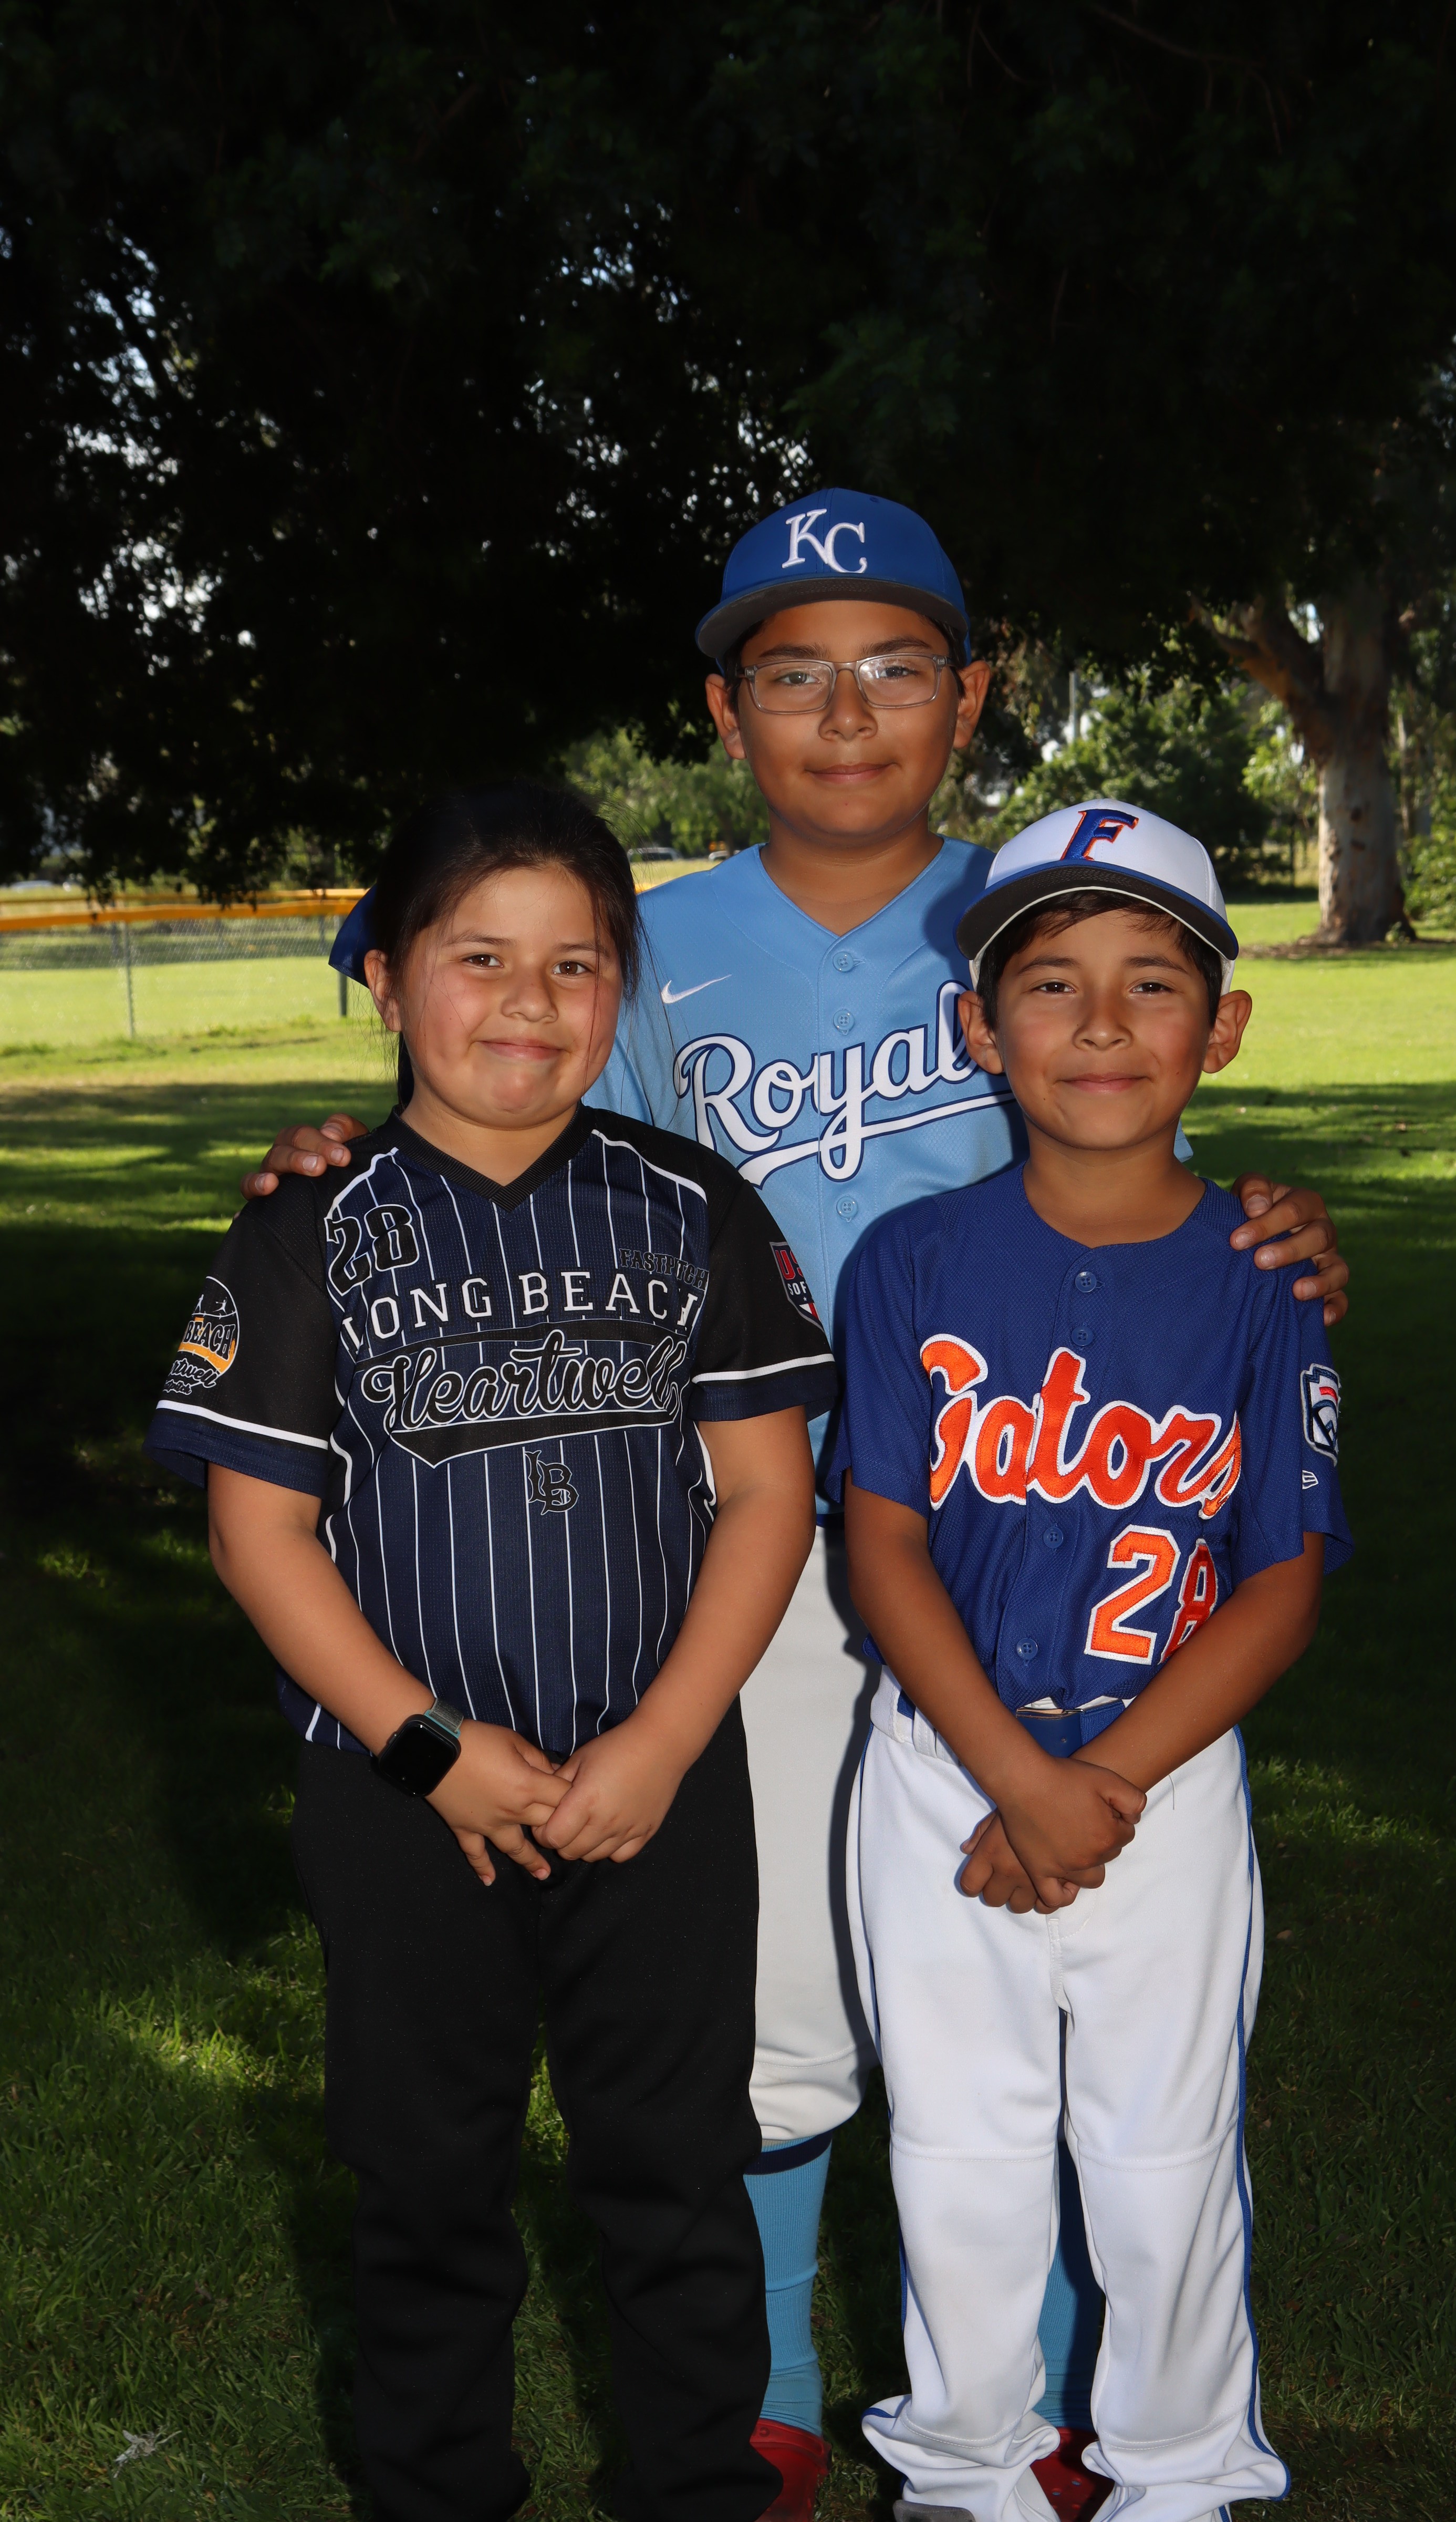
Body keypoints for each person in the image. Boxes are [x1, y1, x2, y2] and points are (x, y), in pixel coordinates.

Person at [238, 491, 1349, 2522]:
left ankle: (1065, 2399)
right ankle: (751, 2385)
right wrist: (345, 1157)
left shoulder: (1033, 909)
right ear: (725, 711)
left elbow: (1134, 1133)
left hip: (1012, 1528)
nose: (848, 716)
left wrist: (1271, 1226)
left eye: (898, 667)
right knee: (758, 2009)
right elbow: (509, 1117)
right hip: (721, 1528)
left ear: (972, 695)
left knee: (1031, 1978)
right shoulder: (651, 939)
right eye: (795, 674)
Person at [146, 783, 837, 2522]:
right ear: (386, 977)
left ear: (620, 991)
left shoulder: (693, 1202)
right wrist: (429, 1745)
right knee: (426, 2176)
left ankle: (696, 2488)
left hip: (655, 1783)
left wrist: (665, 1743)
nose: (530, 1003)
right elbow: (257, 1536)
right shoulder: (308, 1227)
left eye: (575, 965)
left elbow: (768, 1495)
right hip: (400, 1798)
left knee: (676, 2168)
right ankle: (438, 2489)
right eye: (479, 958)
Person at [834, 803, 1353, 2522]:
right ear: (980, 1030)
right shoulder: (911, 1262)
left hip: (1162, 1777)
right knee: (958, 2153)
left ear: (1226, 1023)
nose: (1105, 1023)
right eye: (1051, 984)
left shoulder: (1267, 1275)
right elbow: (883, 1545)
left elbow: (1282, 1581)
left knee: (1161, 2158)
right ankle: (968, 2469)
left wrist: (1099, 1785)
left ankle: (1180, 2472)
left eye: (1154, 982)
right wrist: (1020, 1781)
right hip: (946, 1772)